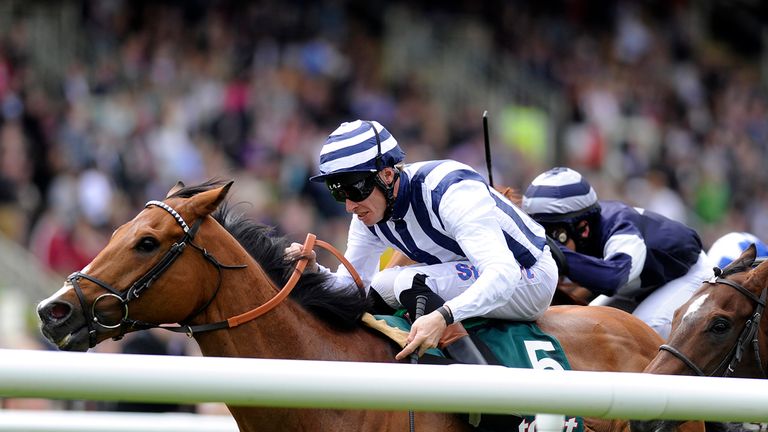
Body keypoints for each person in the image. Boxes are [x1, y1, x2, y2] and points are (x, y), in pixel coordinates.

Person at [286, 119, 559, 363]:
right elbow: (353, 288)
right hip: (477, 272)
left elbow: (503, 274)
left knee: (402, 281)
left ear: (387, 175)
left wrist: (443, 316)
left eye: (354, 189)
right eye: (338, 192)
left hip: (529, 276)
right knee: (384, 284)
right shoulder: (366, 215)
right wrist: (315, 272)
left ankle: (486, 392)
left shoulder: (449, 191)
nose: (348, 206)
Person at [521, 167, 712, 340]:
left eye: (553, 235)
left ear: (583, 228)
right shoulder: (590, 230)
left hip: (687, 275)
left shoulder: (622, 232)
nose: (546, 244)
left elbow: (610, 279)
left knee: (646, 331)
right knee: (588, 326)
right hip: (642, 282)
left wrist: (556, 251)